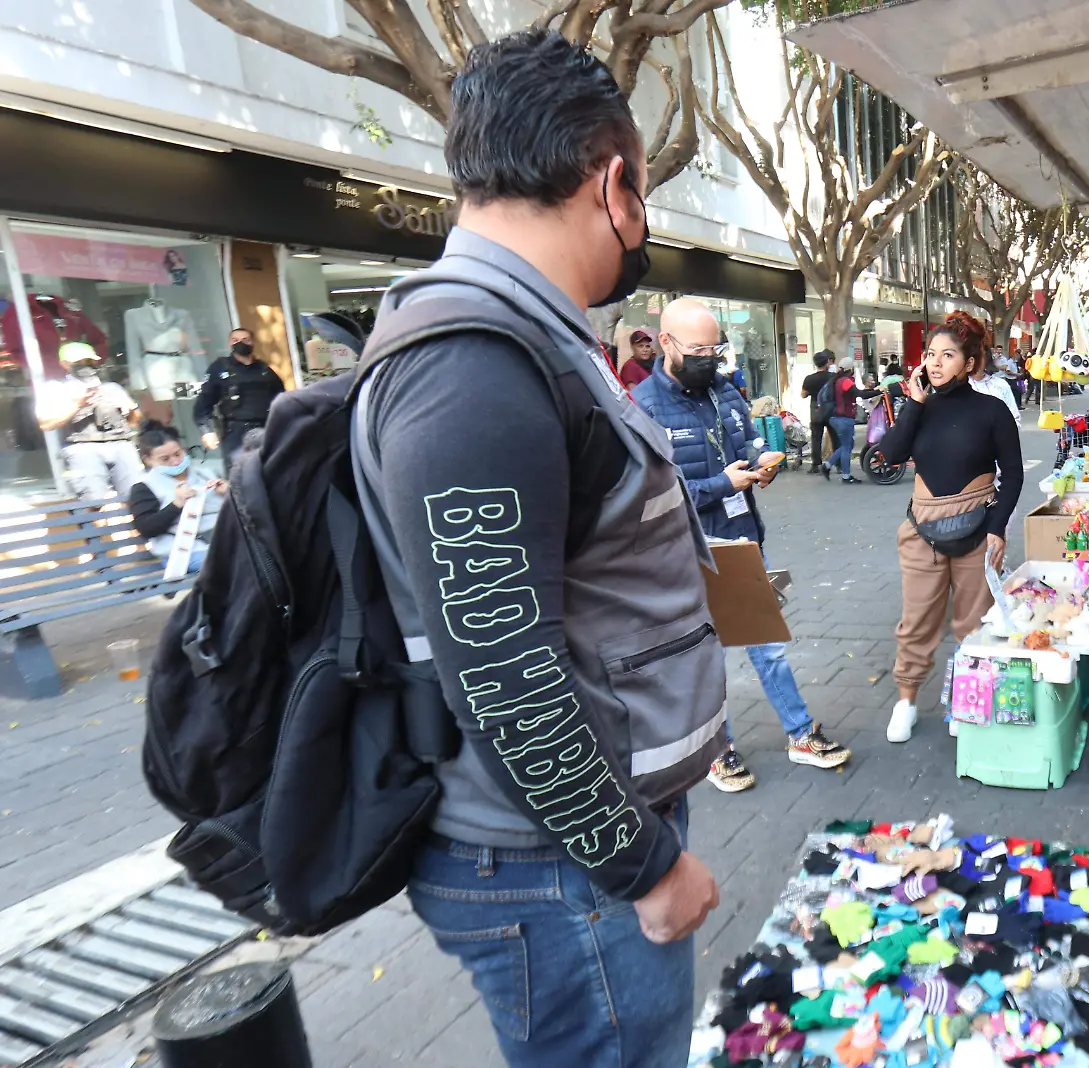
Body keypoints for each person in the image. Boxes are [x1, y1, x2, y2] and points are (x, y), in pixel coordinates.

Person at [348, 31, 721, 1067]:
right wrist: (642, 866)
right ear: (614, 185)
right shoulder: (475, 363)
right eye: (643, 191)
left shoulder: (526, 339)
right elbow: (505, 674)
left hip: (566, 861)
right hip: (560, 875)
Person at [633, 298, 851, 792]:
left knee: (767, 645)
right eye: (698, 349)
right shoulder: (643, 407)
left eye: (716, 348)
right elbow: (648, 491)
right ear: (665, 343)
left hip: (742, 540)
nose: (709, 358)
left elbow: (746, 441)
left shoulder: (725, 390)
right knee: (703, 657)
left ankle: (800, 733)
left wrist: (760, 463)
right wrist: (720, 486)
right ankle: (716, 749)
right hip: (686, 550)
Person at [875, 312, 1024, 743]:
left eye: (948, 355)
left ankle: (967, 700)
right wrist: (914, 404)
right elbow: (891, 453)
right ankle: (906, 700)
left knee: (973, 623)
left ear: (970, 363)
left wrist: (997, 529)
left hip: (978, 531)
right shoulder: (919, 407)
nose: (936, 363)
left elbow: (1012, 475)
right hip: (921, 530)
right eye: (931, 355)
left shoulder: (992, 410)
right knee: (917, 620)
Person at [36, 343, 142, 498]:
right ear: (65, 364)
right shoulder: (56, 388)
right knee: (92, 501)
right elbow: (46, 423)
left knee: (137, 496)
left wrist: (130, 409)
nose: (85, 366)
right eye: (79, 362)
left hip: (121, 444)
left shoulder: (111, 387)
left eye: (89, 361)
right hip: (82, 448)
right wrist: (78, 404)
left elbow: (134, 422)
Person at [127, 424, 224, 573]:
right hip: (184, 552)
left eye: (178, 454)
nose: (175, 461)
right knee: (232, 563)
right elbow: (145, 528)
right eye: (165, 459)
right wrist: (176, 504)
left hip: (224, 541)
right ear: (148, 460)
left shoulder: (205, 473)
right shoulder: (144, 487)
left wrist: (229, 492)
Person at [194, 328, 286, 460]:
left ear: (253, 343)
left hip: (266, 428)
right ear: (229, 344)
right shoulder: (220, 368)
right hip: (236, 432)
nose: (240, 343)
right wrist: (206, 431)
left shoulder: (264, 369)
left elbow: (282, 398)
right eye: (235, 340)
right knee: (238, 473)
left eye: (245, 340)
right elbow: (204, 402)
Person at [824, 361, 879, 483]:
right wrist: (878, 391)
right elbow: (860, 394)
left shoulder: (837, 380)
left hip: (835, 417)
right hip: (844, 418)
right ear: (850, 369)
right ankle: (846, 476)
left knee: (847, 445)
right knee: (847, 447)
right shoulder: (846, 381)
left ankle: (827, 466)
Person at [802, 350, 839, 472]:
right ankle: (838, 464)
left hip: (816, 411)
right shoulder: (834, 377)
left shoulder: (809, 379)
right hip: (831, 410)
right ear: (827, 363)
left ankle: (816, 465)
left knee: (816, 438)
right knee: (835, 437)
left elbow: (803, 394)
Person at [969, 342, 1021, 420]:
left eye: (979, 357)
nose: (974, 361)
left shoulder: (1001, 385)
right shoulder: (959, 386)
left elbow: (1014, 417)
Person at [617, 323, 657, 389]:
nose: (645, 350)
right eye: (640, 346)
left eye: (647, 346)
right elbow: (633, 395)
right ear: (632, 348)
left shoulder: (647, 365)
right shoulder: (630, 367)